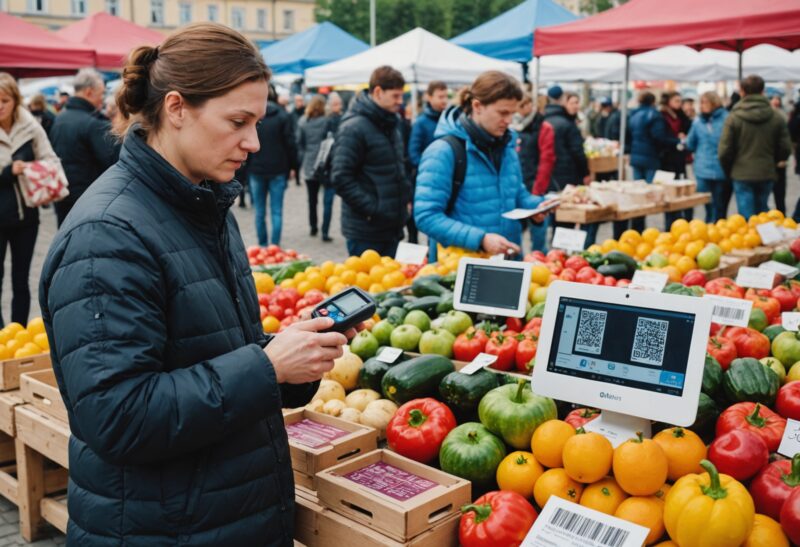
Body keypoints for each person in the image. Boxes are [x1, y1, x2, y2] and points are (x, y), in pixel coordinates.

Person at [39, 23, 355, 546]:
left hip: (217, 512)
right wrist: (265, 364)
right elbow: (116, 416)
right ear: (177, 108)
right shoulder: (106, 236)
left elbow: (209, 353)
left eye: (257, 122)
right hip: (159, 527)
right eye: (237, 121)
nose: (253, 142)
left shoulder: (203, 201)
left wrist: (289, 357)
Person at [415, 71, 552, 258]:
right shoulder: (443, 151)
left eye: (513, 113)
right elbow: (426, 217)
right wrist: (480, 239)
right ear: (477, 106)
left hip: (507, 260)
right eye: (503, 113)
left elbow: (517, 194)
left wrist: (537, 206)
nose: (509, 120)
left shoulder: (507, 146)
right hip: (460, 268)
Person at [330, 66, 411, 258]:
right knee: (368, 287)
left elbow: (397, 168)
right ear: (378, 92)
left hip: (392, 228)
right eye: (396, 96)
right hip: (365, 232)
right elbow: (341, 178)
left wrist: (405, 199)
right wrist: (373, 210)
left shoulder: (391, 124)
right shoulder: (353, 127)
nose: (400, 102)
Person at [0, 74, 61, 326]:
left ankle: (18, 331)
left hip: (27, 217)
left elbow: (52, 161)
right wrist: (7, 171)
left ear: (15, 101)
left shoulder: (31, 128)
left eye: (4, 100)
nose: (0, 106)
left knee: (21, 279)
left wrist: (32, 168)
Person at [49, 68, 120, 226]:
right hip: (87, 198)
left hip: (62, 193)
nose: (102, 99)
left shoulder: (60, 118)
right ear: (89, 92)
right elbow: (113, 162)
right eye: (101, 93)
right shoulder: (93, 124)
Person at [719, 75, 792, 220]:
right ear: (763, 91)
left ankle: (752, 241)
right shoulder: (776, 116)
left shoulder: (734, 117)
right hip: (766, 170)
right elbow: (785, 148)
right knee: (762, 213)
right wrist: (773, 160)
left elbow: (724, 151)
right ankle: (764, 240)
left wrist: (731, 168)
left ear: (742, 92)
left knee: (747, 219)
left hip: (741, 173)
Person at [247, 83, 298, 246]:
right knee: (276, 211)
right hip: (278, 169)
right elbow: (291, 144)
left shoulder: (252, 116)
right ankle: (274, 246)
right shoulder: (283, 115)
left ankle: (262, 246)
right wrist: (293, 167)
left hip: (257, 169)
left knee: (259, 212)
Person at [625, 91, 680, 232]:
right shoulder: (654, 115)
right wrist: (676, 142)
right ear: (653, 101)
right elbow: (659, 137)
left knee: (638, 195)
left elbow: (629, 136)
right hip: (651, 158)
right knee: (652, 195)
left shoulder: (633, 114)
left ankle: (637, 228)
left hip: (636, 157)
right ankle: (660, 229)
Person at [545, 88, 595, 245]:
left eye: (578, 102)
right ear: (563, 103)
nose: (576, 106)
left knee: (557, 216)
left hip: (551, 174)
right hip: (567, 174)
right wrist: (586, 173)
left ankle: (556, 249)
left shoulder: (546, 120)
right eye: (573, 102)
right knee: (567, 216)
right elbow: (577, 152)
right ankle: (564, 251)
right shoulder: (567, 124)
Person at [406, 81, 448, 244]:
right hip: (424, 181)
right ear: (429, 97)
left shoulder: (449, 121)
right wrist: (432, 169)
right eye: (440, 96)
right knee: (423, 220)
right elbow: (413, 154)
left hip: (446, 182)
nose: (444, 100)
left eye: (446, 96)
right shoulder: (421, 123)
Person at [513, 93, 555, 252]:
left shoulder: (544, 127)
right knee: (516, 235)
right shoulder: (513, 126)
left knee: (538, 235)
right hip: (519, 187)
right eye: (519, 106)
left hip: (536, 187)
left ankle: (539, 262)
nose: (522, 109)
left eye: (525, 105)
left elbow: (547, 160)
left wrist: (538, 190)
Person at [685, 91, 730, 222]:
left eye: (705, 102)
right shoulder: (698, 121)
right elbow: (690, 143)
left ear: (714, 103)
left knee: (720, 205)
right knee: (708, 204)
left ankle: (717, 228)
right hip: (703, 169)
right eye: (701, 102)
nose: (702, 105)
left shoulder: (727, 119)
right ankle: (710, 228)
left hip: (721, 169)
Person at [298, 94, 335, 241]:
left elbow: (300, 144)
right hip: (324, 164)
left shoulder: (303, 122)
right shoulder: (327, 122)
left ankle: (313, 227)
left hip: (309, 165)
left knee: (312, 200)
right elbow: (331, 142)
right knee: (327, 201)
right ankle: (325, 231)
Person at [770, 94, 789, 214]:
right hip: (769, 162)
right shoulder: (779, 116)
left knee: (779, 196)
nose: (776, 101)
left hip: (776, 162)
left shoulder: (781, 115)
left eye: (778, 99)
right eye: (774, 98)